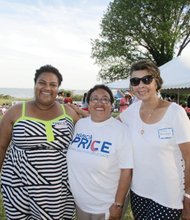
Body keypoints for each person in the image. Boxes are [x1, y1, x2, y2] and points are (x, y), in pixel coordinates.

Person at [0, 64, 80, 219]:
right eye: (42, 83)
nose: (47, 88)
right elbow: (1, 146)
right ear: (35, 84)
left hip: (58, 188)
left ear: (58, 89)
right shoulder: (16, 111)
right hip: (18, 185)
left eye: (53, 84)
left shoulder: (69, 112)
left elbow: (90, 131)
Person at [118, 60, 190, 220]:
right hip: (138, 192)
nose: (140, 85)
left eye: (146, 79)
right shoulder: (131, 111)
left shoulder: (176, 113)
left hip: (167, 196)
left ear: (157, 82)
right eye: (135, 81)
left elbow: (189, 158)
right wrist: (79, 113)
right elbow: (109, 126)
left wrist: (188, 196)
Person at [67, 84, 133, 220]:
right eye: (95, 99)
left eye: (105, 99)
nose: (99, 103)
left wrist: (118, 204)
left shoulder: (121, 131)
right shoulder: (80, 125)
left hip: (106, 205)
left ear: (111, 105)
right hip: (81, 203)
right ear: (88, 103)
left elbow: (126, 170)